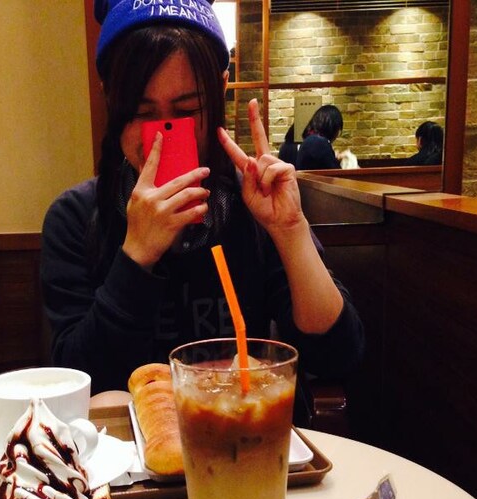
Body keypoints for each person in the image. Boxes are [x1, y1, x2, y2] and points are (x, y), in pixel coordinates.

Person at [40, 0, 364, 427]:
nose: (163, 135)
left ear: (219, 89)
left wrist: (290, 231)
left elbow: (337, 355)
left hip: (245, 436)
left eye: (186, 110)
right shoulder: (76, 217)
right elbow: (80, 379)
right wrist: (136, 255)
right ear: (110, 99)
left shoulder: (252, 204)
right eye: (142, 112)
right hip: (126, 456)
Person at [295, 105, 344, 170]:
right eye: (338, 129)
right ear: (333, 126)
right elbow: (336, 171)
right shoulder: (319, 143)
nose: (337, 134)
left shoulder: (310, 140)